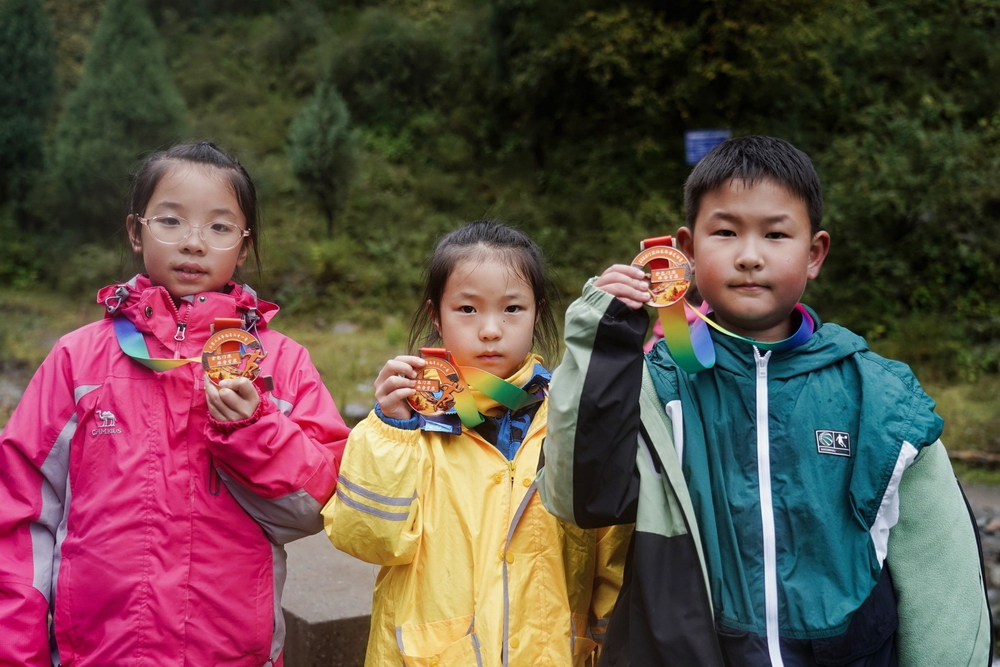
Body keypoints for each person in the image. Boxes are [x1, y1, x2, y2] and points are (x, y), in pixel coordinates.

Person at [537, 136, 992, 666]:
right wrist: (601, 341)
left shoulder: (882, 398)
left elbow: (944, 580)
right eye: (725, 232)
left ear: (814, 253)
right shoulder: (654, 388)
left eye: (776, 234)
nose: (750, 256)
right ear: (687, 250)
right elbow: (579, 499)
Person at [0, 142, 350, 666]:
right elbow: (19, 517)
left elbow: (318, 507)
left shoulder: (281, 363)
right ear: (135, 231)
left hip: (231, 652)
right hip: (97, 654)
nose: (193, 242)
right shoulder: (78, 359)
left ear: (244, 246)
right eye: (170, 220)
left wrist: (254, 429)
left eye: (219, 227)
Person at [323, 220, 631, 666]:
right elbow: (368, 542)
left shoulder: (573, 418)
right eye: (467, 309)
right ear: (436, 315)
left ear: (538, 312)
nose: (490, 330)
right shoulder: (406, 424)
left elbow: (612, 561)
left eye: (512, 308)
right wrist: (391, 431)